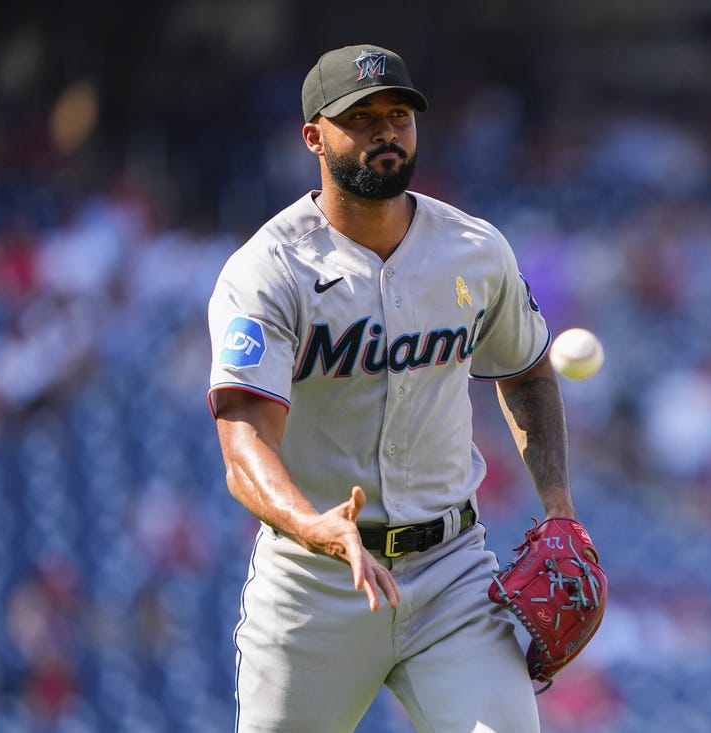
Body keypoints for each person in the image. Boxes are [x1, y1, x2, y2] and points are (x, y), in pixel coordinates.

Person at [207, 44, 580, 732]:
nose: (386, 130)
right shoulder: (268, 269)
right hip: (316, 583)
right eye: (363, 117)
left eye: (399, 114)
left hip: (452, 576)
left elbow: (526, 369)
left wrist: (557, 505)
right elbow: (244, 440)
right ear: (314, 137)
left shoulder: (475, 248)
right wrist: (309, 523)